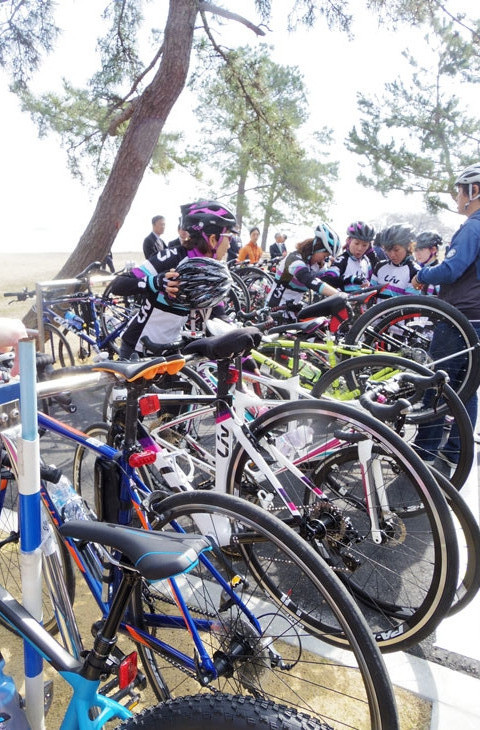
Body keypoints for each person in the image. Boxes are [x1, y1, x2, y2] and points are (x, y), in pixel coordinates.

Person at [412, 162, 480, 458]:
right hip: (477, 319)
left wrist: (422, 276)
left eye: (458, 192)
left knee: (435, 383)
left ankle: (423, 453)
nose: (456, 199)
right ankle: (457, 450)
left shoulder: (472, 227)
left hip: (460, 318)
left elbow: (451, 269)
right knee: (466, 387)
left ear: (473, 190)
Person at [110, 201, 236, 359]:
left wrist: (245, 358)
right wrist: (155, 282)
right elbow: (118, 285)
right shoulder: (172, 258)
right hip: (138, 348)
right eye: (229, 237)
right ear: (212, 239)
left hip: (170, 349)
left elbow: (219, 315)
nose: (230, 245)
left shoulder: (211, 271)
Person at [266, 222, 342, 315]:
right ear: (317, 248)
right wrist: (339, 295)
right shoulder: (294, 260)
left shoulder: (316, 265)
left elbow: (327, 280)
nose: (325, 259)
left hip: (292, 309)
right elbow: (310, 280)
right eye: (325, 255)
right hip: (275, 309)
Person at [322, 221, 376, 291]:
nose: (360, 248)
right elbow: (327, 279)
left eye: (364, 245)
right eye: (356, 243)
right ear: (348, 241)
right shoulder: (342, 260)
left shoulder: (366, 261)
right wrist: (351, 279)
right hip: (344, 300)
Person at [370, 224, 420, 296]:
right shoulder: (380, 266)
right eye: (388, 250)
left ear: (408, 247)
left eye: (396, 250)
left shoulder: (415, 271)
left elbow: (409, 304)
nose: (392, 255)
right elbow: (370, 295)